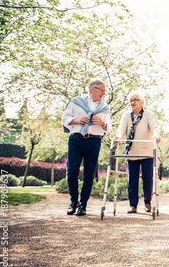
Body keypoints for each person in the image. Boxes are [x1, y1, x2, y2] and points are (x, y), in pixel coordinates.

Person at [62, 79, 112, 216]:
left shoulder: (105, 108)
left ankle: (83, 205)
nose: (104, 93)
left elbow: (109, 127)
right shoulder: (75, 102)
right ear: (93, 89)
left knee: (89, 174)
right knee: (72, 171)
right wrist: (77, 121)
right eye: (102, 90)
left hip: (94, 142)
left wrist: (103, 123)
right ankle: (73, 202)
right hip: (76, 140)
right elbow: (64, 118)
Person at [115, 90, 161, 214]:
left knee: (147, 177)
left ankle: (147, 202)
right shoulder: (126, 115)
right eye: (131, 100)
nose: (133, 102)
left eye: (135, 100)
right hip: (132, 152)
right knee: (132, 179)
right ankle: (133, 205)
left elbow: (154, 127)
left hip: (146, 151)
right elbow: (121, 128)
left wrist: (156, 136)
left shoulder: (148, 114)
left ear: (142, 102)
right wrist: (118, 136)